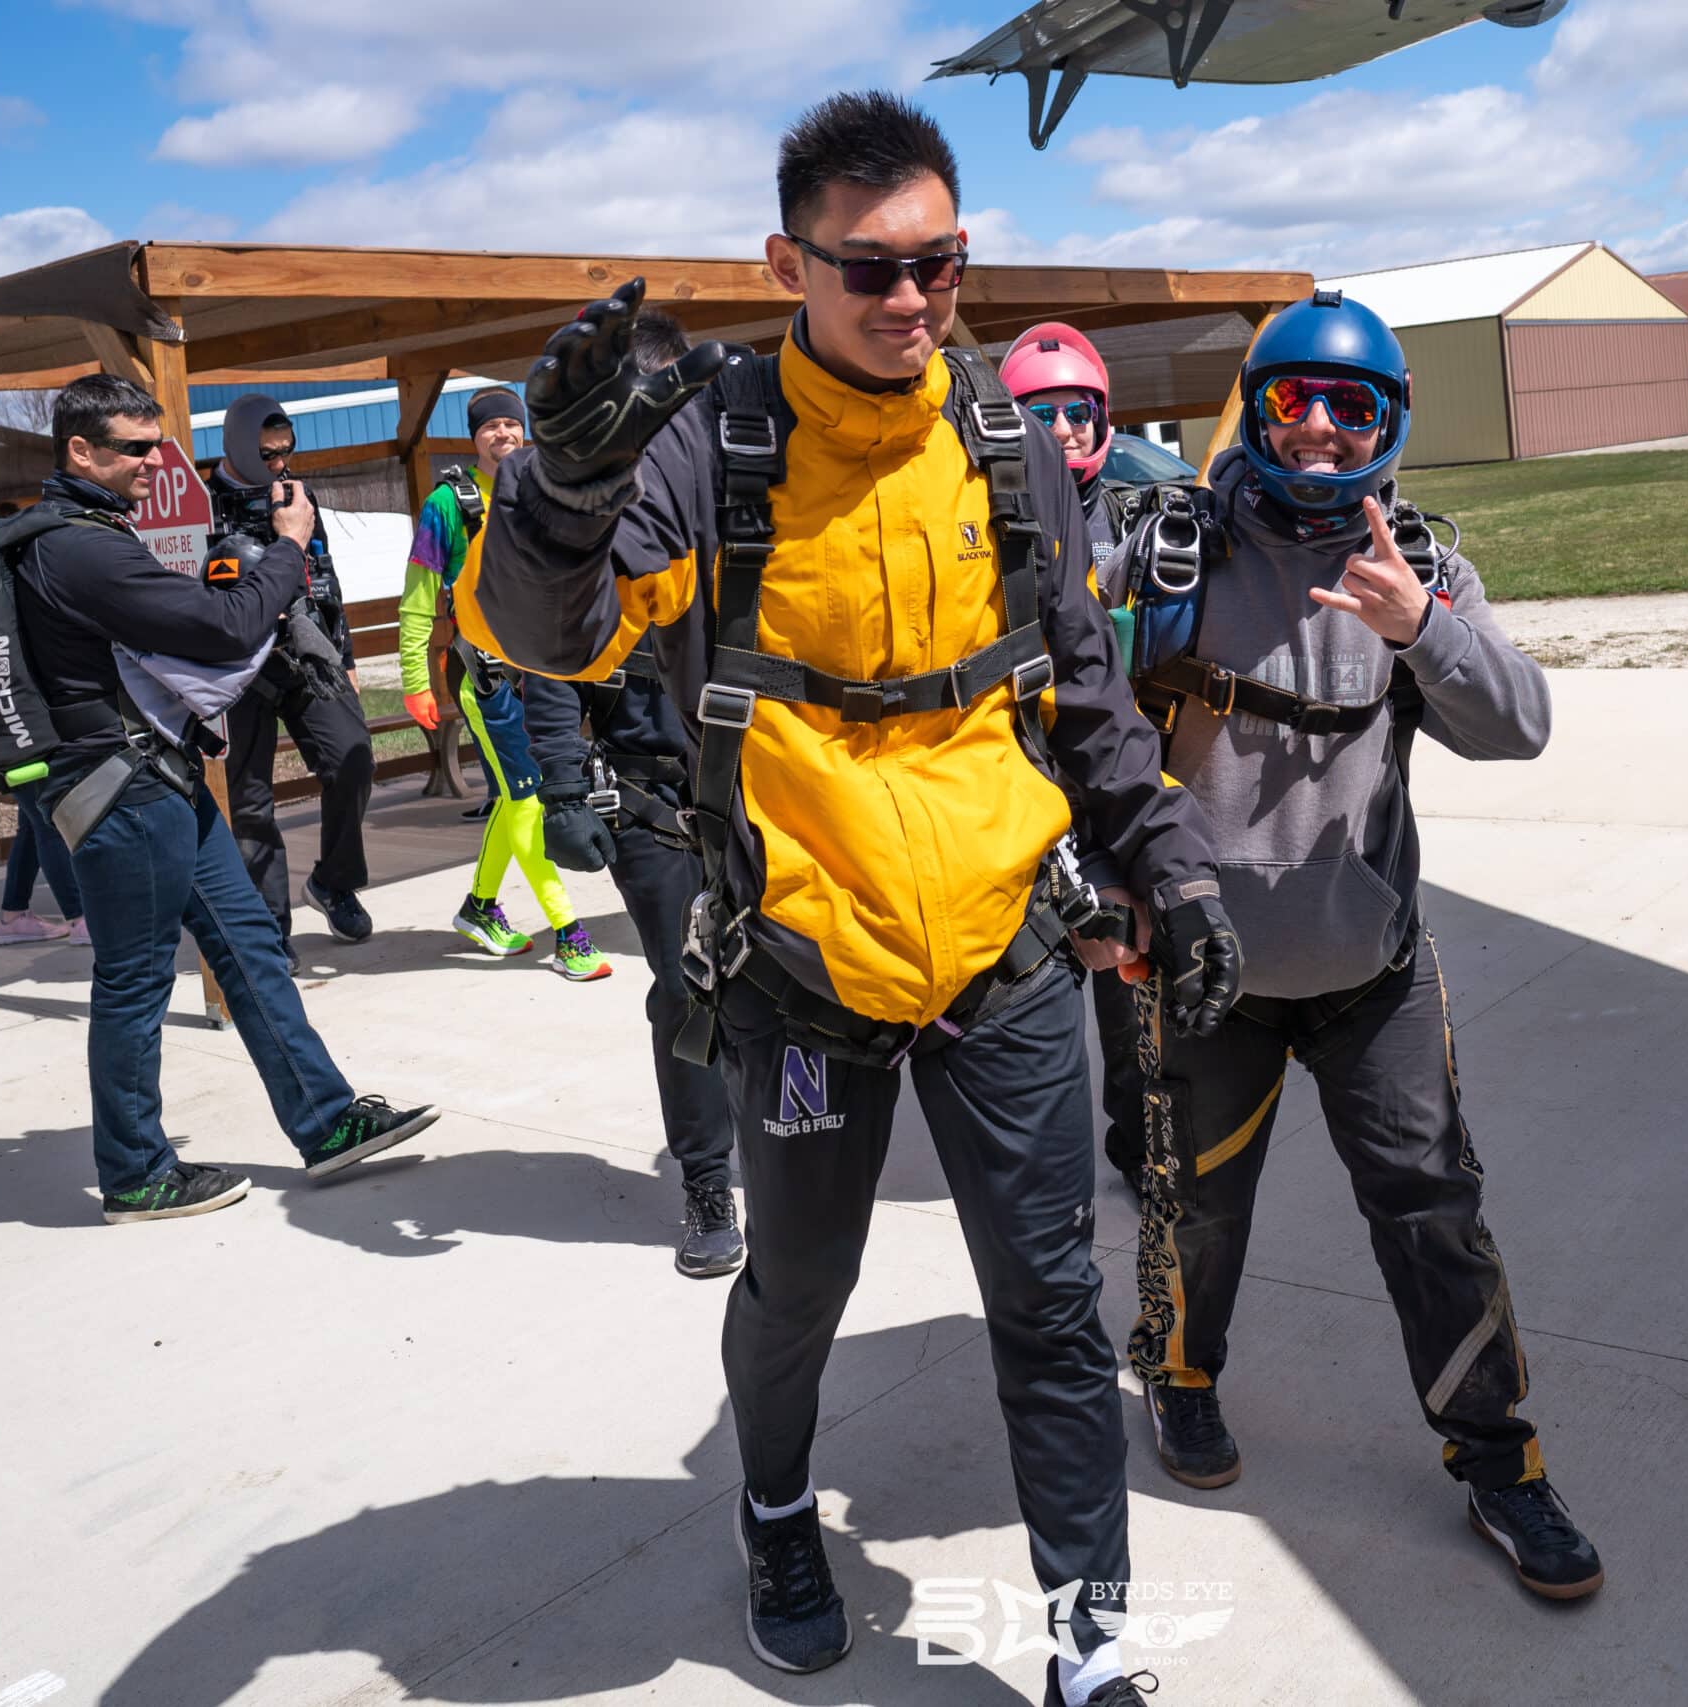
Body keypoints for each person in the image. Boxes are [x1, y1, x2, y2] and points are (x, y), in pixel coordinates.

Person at [463, 91, 1238, 1707]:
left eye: (939, 268)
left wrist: (1168, 857)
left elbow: (1082, 692)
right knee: (802, 1283)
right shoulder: (713, 441)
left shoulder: (1002, 440)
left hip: (1006, 957)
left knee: (1048, 1299)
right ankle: (772, 1510)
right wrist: (560, 494)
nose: (910, 303)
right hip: (808, 977)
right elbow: (547, 637)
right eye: (872, 270)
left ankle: (1090, 1631)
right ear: (789, 261)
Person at [1103, 291, 1603, 1601]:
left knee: (1437, 1212)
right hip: (1205, 974)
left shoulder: (1420, 561)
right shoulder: (1171, 553)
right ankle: (1183, 1373)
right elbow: (1084, 744)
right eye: (1292, 401)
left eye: (1353, 408)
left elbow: (1524, 722)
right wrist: (1107, 906)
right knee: (1194, 1205)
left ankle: (1498, 1457)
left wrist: (1418, 629)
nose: (1319, 430)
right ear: (1256, 407)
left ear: (1388, 422)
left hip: (1370, 971)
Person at [12, 372, 439, 1223]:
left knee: (247, 943)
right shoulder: (77, 547)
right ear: (80, 451)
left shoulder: (88, 532)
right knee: (134, 981)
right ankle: (135, 1172)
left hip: (158, 777)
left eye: (156, 445)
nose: (151, 462)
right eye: (134, 448)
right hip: (120, 790)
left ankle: (325, 1121)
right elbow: (225, 628)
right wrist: (287, 548)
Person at [520, 307, 744, 1279]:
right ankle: (707, 1181)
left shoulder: (738, 482)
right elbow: (539, 659)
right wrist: (563, 789)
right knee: (688, 990)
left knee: (784, 984)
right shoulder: (568, 504)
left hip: (767, 786)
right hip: (652, 796)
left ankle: (785, 1153)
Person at [996, 323, 1150, 1194]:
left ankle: (1135, 1142)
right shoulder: (984, 524)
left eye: (1077, 411)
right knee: (1033, 1003)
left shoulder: (1139, 527)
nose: (1061, 430)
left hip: (1112, 783)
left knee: (1129, 991)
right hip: (1022, 795)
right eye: (1039, 412)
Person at [398, 387, 612, 981]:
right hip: (484, 674)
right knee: (526, 800)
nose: (502, 434)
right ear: (474, 438)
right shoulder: (448, 504)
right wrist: (417, 679)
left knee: (519, 795)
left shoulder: (542, 491)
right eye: (489, 427)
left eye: (510, 425)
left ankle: (479, 908)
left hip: (546, 673)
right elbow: (418, 599)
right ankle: (570, 934)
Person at [208, 398, 376, 958]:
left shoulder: (300, 497)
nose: (280, 464)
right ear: (237, 446)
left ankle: (333, 881)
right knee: (249, 801)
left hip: (303, 653)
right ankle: (269, 931)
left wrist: (346, 659)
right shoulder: (198, 504)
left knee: (353, 756)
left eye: (287, 451)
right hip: (235, 666)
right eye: (267, 454)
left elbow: (325, 574)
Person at [0, 498, 89, 948]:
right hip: (15, 718)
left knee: (31, 819)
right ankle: (82, 919)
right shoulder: (1, 581)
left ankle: (13, 915)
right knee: (48, 817)